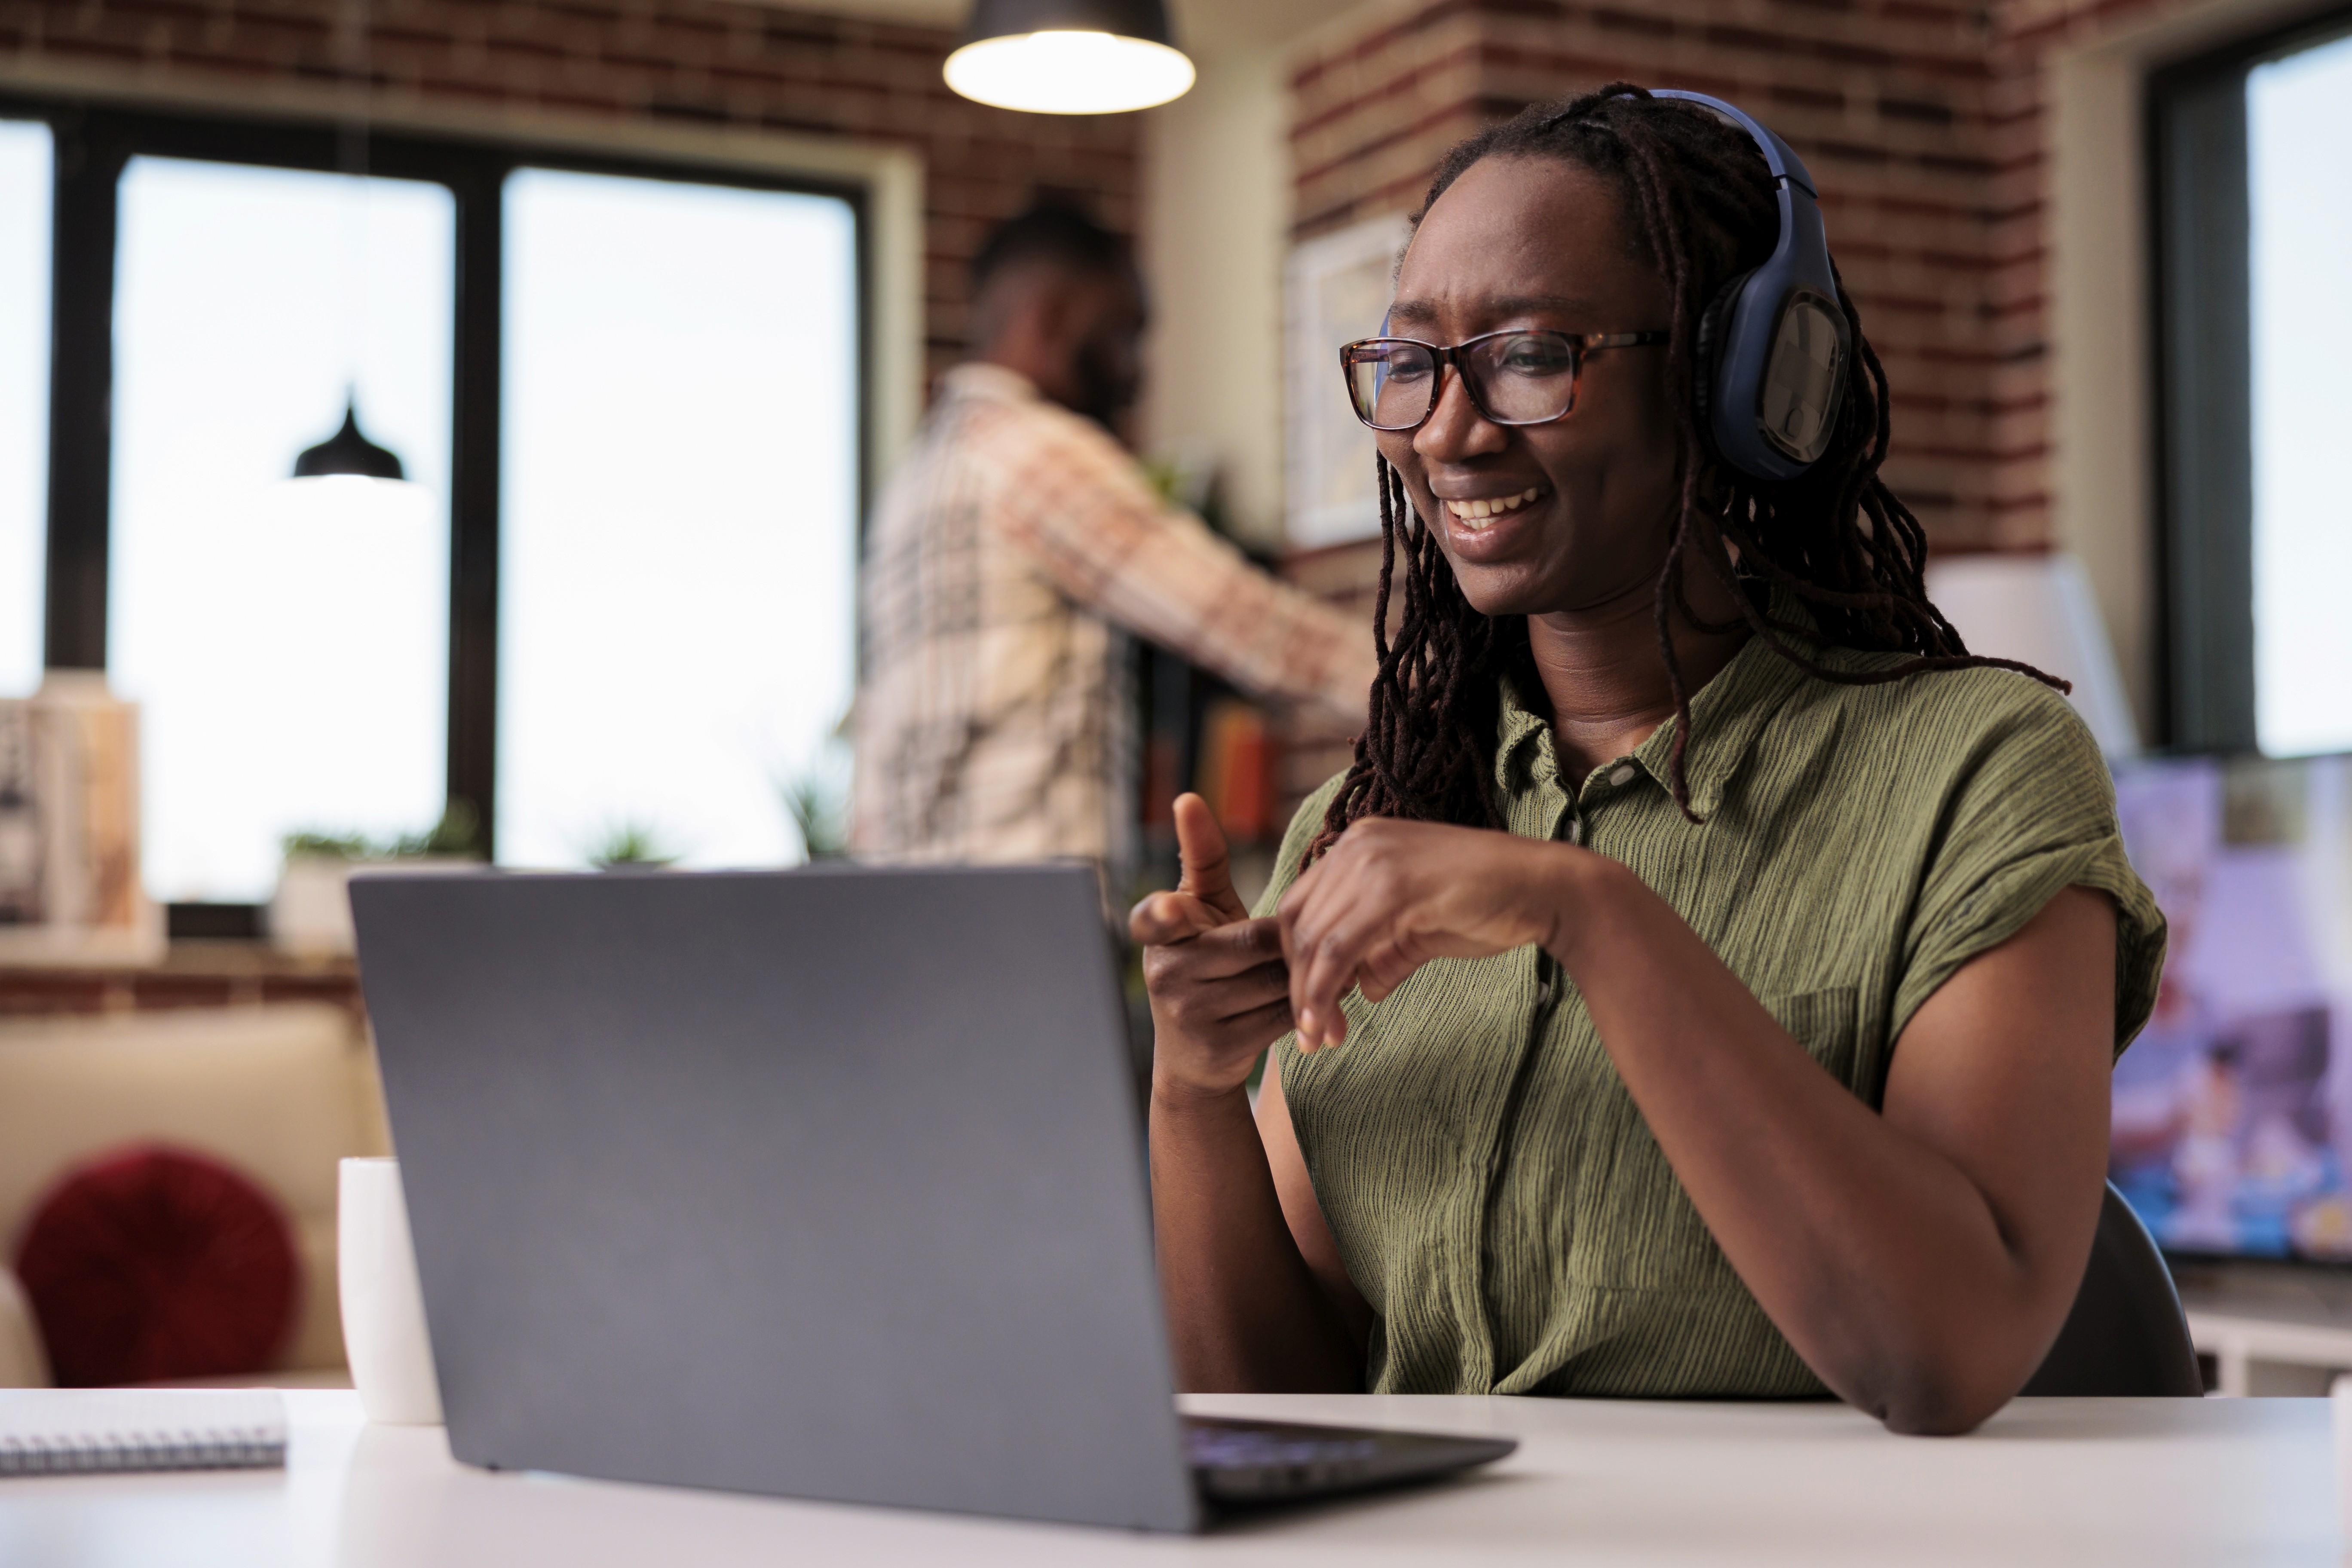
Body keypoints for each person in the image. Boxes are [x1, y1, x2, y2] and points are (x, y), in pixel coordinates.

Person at [1132, 85, 2168, 1436]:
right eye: (1412, 361)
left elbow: (1951, 1349)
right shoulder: (1374, 825)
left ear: (1735, 380)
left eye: (1527, 354)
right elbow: (1281, 1415)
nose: (1448, 429)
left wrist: (1587, 910)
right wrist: (1193, 1088)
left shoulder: (1979, 773)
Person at [851, 202, 1376, 883]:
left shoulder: (919, 476)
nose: (1136, 371)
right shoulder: (1031, 452)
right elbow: (1247, 625)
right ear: (1054, 317)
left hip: (914, 907)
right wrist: (1449, 697)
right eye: (1124, 334)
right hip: (1026, 909)